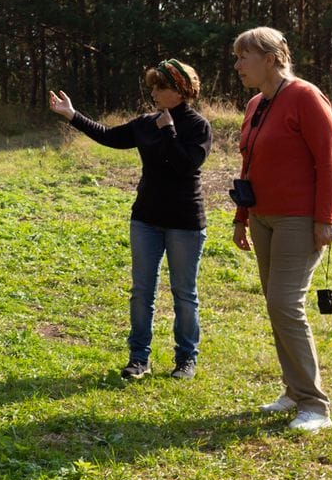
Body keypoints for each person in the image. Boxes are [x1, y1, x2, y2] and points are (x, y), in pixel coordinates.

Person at [50, 60, 211, 381]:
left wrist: (168, 131)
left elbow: (185, 165)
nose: (152, 92)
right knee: (141, 292)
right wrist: (72, 115)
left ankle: (186, 359)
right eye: (152, 86)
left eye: (158, 87)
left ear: (179, 90)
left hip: (185, 222)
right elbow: (110, 136)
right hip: (146, 220)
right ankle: (139, 358)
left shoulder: (198, 126)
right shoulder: (145, 123)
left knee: (184, 293)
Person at [229, 26, 332, 431]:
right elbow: (249, 163)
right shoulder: (256, 103)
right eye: (238, 57)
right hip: (261, 217)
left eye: (245, 57)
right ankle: (293, 392)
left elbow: (329, 163)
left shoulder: (306, 97)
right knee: (276, 306)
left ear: (272, 58)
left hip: (299, 220)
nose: (238, 65)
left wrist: (324, 219)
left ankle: (315, 404)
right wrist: (242, 217)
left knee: (284, 304)